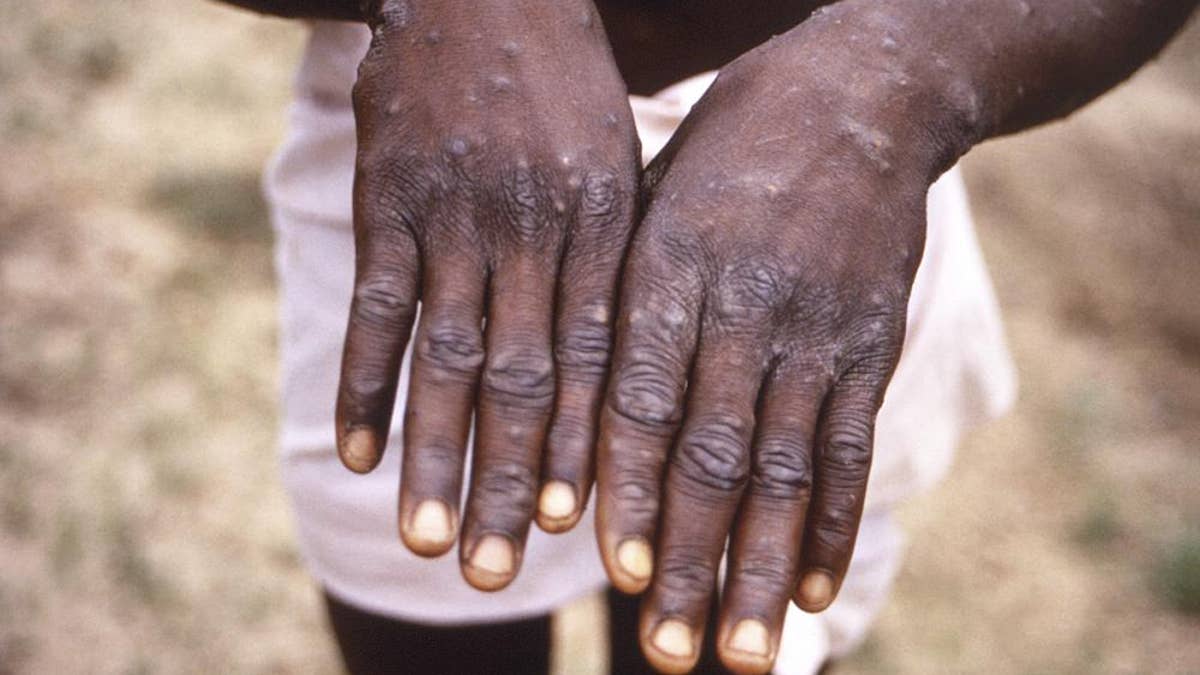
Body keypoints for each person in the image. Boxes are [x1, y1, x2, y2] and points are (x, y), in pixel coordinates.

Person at [216, 1, 1196, 673]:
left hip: (822, 186)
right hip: (452, 138)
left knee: (733, 625)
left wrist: (898, 78)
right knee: (420, 606)